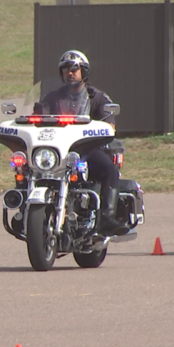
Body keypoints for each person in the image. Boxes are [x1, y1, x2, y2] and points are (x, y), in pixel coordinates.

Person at [33, 50, 128, 236]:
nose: (70, 73)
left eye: (74, 69)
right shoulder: (53, 97)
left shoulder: (97, 97)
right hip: (57, 151)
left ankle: (107, 217)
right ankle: (25, 207)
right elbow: (37, 119)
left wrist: (100, 128)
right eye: (66, 69)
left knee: (109, 169)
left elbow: (110, 125)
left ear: (84, 72)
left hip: (86, 150)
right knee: (28, 168)